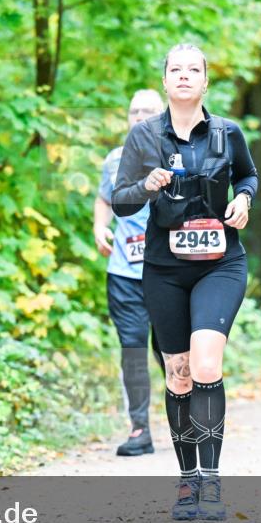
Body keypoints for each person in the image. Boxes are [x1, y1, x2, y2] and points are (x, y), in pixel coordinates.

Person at [112, 44, 258, 523]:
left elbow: (249, 176)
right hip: (164, 268)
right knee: (177, 372)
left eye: (193, 70)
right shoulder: (144, 138)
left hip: (221, 264)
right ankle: (188, 479)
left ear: (205, 82)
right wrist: (147, 185)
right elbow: (120, 202)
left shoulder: (226, 132)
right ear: (165, 80)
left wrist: (244, 200)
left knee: (205, 363)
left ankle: (212, 481)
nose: (184, 76)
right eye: (176, 69)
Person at [94, 89, 166, 457]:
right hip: (124, 272)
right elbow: (105, 198)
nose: (140, 116)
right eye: (134, 110)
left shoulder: (177, 154)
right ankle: (139, 429)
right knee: (133, 349)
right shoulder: (114, 159)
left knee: (171, 352)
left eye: (148, 111)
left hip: (168, 271)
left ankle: (188, 421)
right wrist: (98, 227)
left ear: (162, 115)